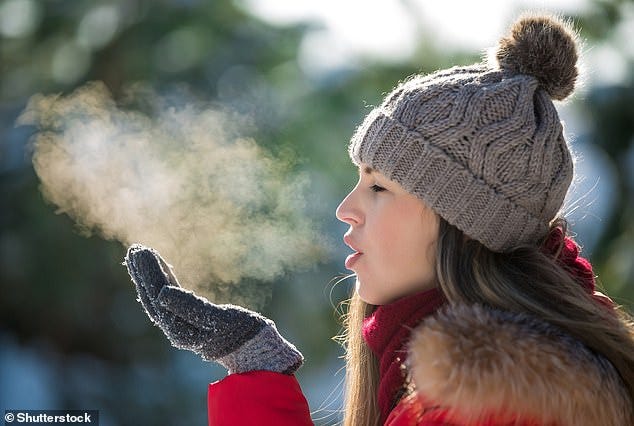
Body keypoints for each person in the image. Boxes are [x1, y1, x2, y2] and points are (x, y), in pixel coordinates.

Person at [124, 13, 634, 426]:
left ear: (463, 221)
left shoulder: (490, 403)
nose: (346, 209)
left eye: (378, 186)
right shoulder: (483, 378)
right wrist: (254, 368)